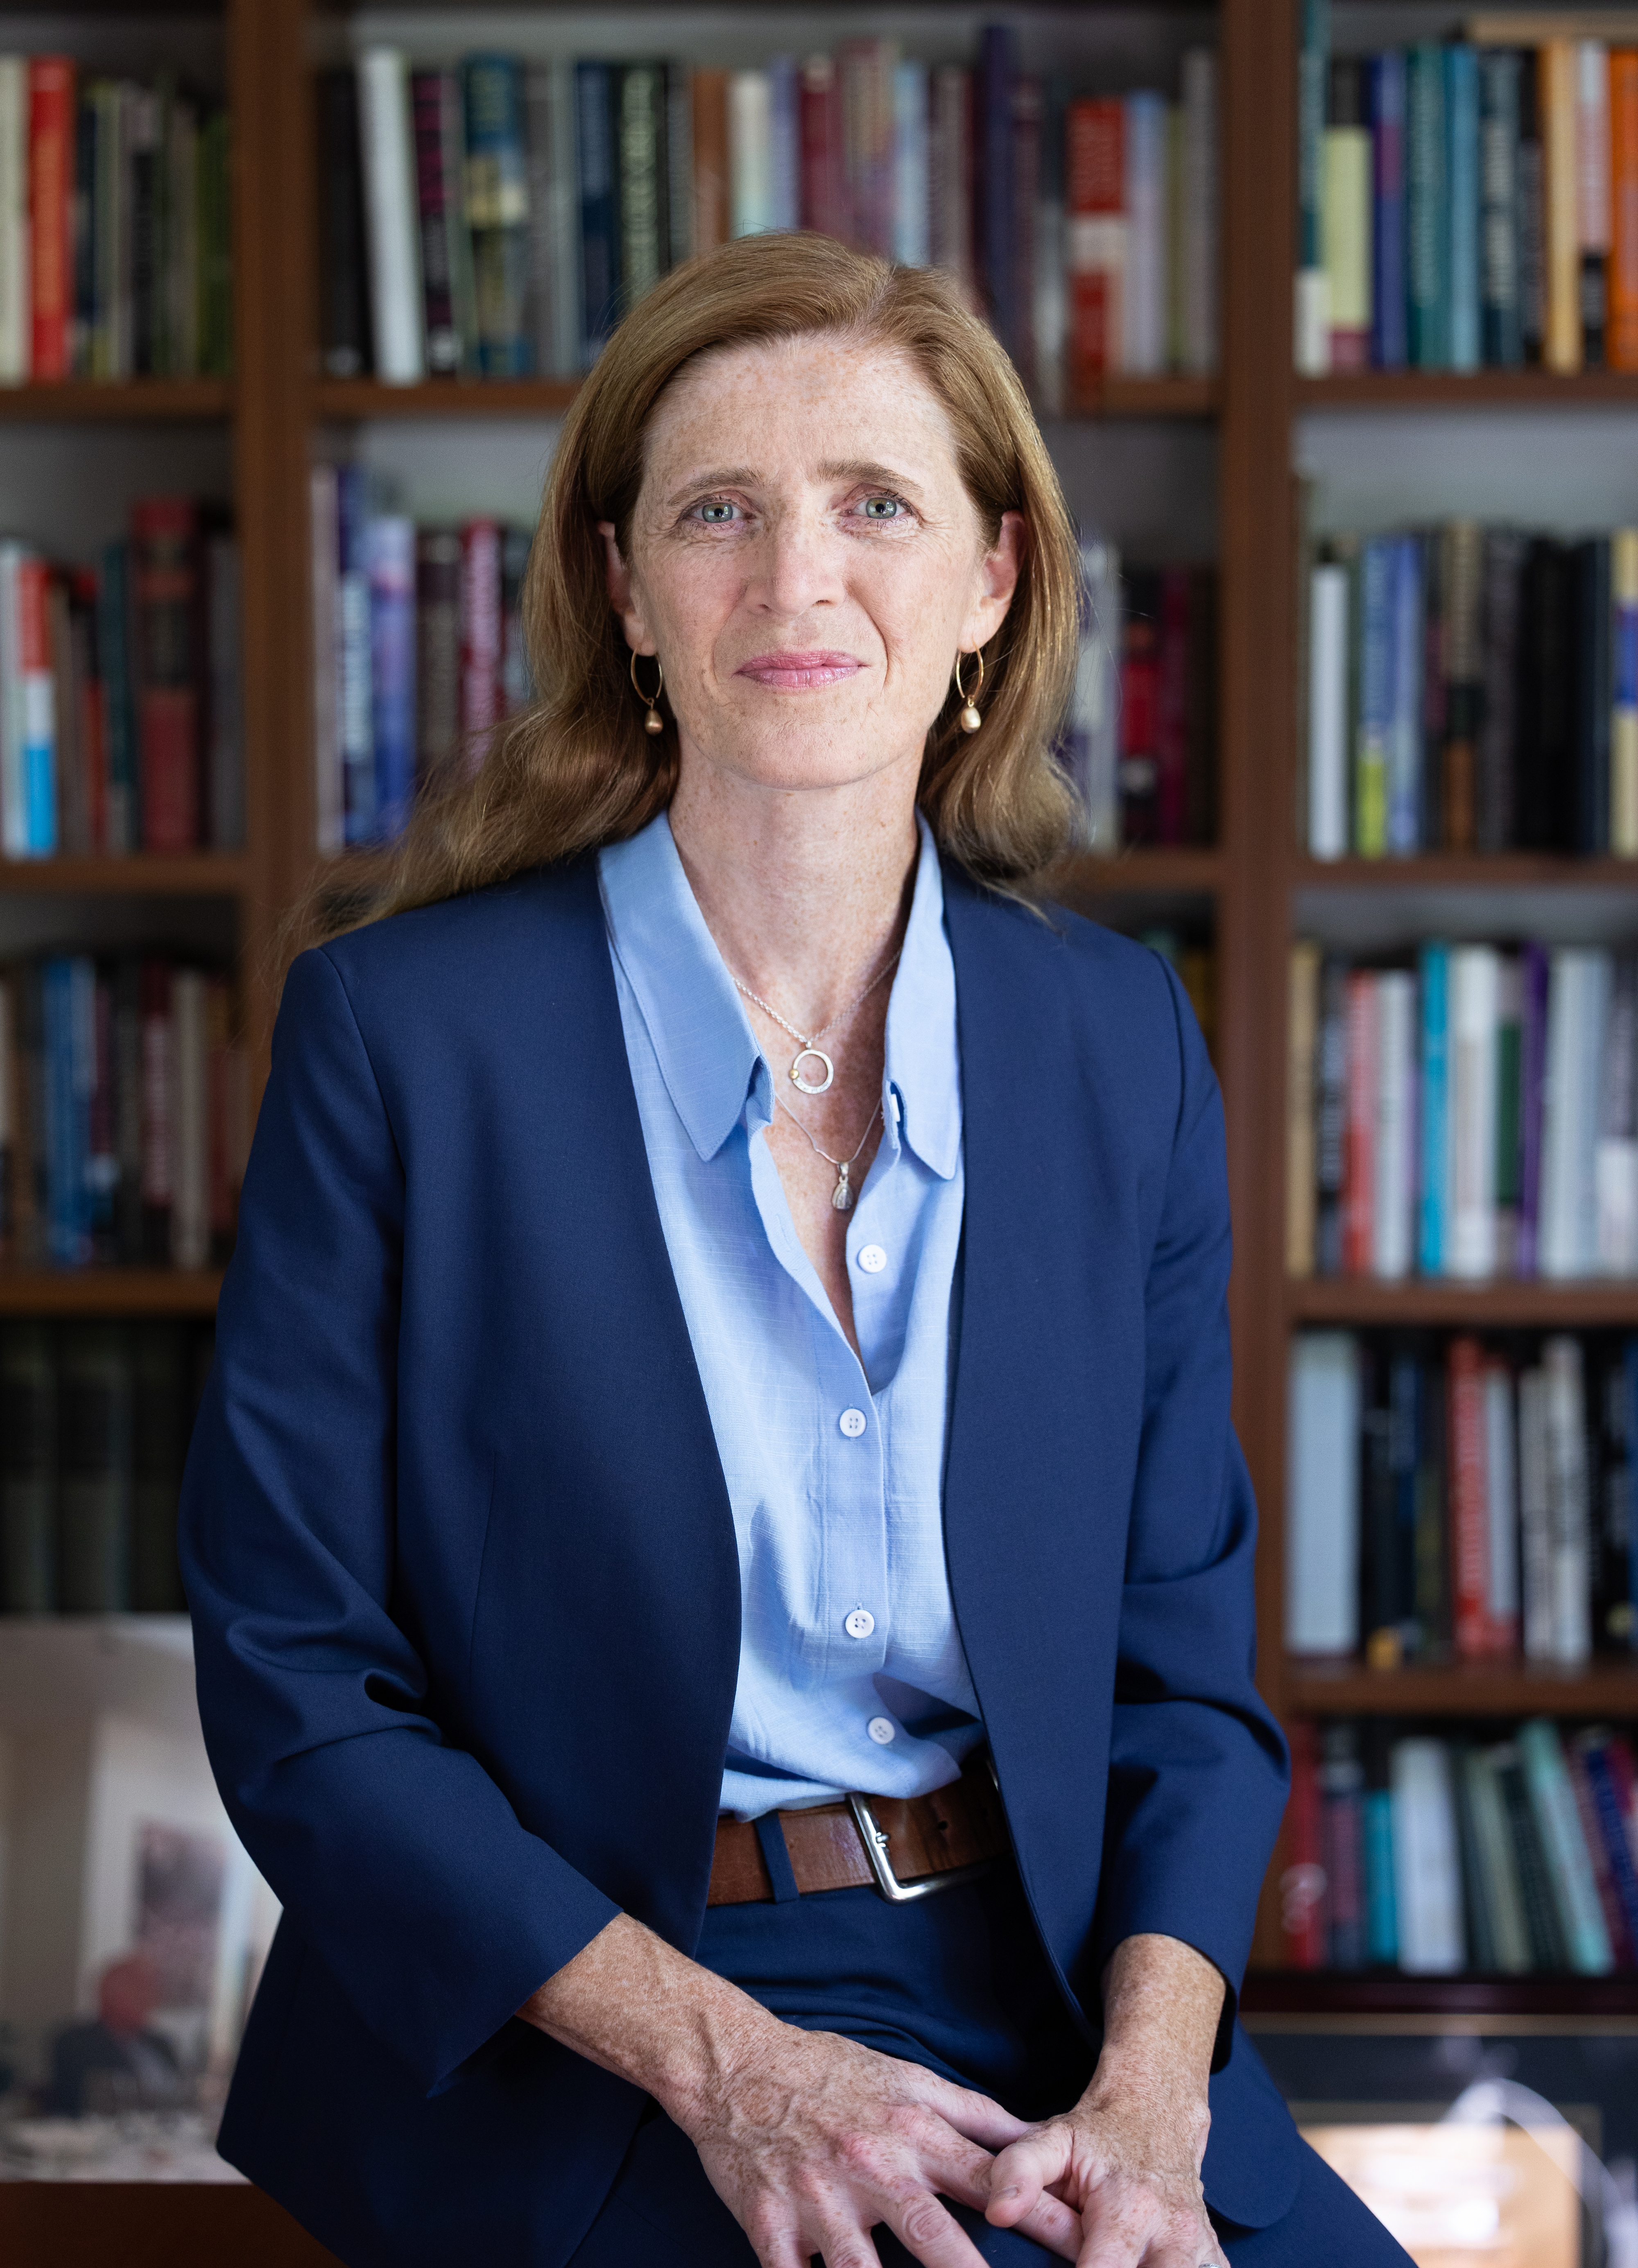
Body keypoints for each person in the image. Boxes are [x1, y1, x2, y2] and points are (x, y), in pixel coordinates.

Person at [179, 234, 1410, 2268]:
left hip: (1046, 2001)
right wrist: (729, 2068)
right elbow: (299, 1687)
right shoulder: (402, 1040)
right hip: (595, 2020)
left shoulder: (1117, 1041)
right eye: (716, 511)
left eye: (874, 505)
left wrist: (1148, 2098)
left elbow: (1180, 1683)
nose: (793, 579)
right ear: (623, 589)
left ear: (989, 583)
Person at [46, 1955, 183, 2117]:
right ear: (106, 1993)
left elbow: (182, 2095)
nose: (148, 1997)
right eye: (137, 1988)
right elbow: (80, 2103)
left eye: (151, 1989)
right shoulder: (75, 2042)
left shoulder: (162, 2043)